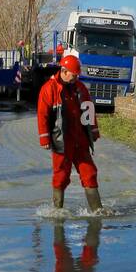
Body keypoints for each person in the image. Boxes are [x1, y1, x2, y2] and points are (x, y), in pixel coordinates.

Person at [37, 53, 102, 212]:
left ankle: (97, 210)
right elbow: (42, 115)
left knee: (89, 173)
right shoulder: (49, 89)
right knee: (61, 176)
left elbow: (88, 109)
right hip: (61, 140)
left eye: (77, 76)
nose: (75, 79)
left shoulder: (80, 88)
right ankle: (57, 210)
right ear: (64, 71)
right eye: (73, 76)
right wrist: (44, 137)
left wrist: (93, 130)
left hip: (80, 139)